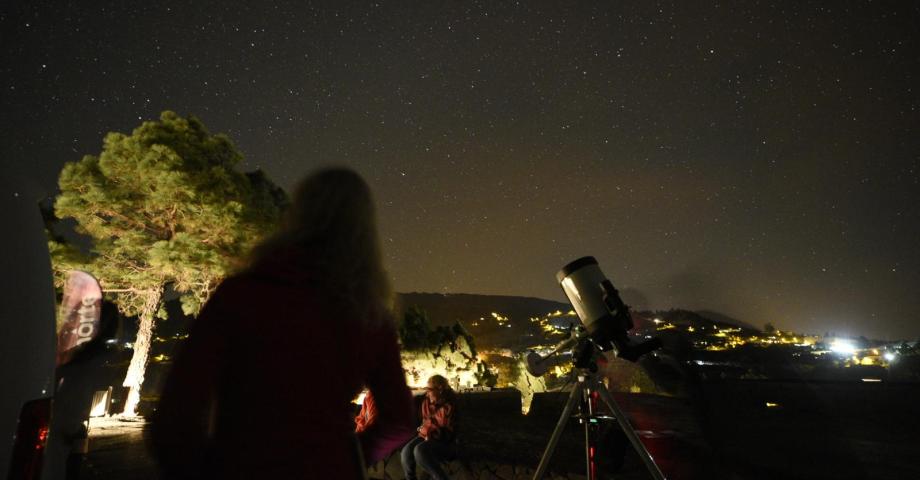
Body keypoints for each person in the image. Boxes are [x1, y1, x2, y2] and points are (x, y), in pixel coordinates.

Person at [148, 167, 416, 479]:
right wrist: (352, 454)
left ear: (297, 214)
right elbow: (398, 418)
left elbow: (176, 412)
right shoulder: (369, 314)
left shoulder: (240, 294)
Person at [401, 375, 458, 480]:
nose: (427, 393)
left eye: (430, 389)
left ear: (440, 389)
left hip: (444, 442)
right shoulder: (425, 402)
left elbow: (445, 431)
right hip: (425, 436)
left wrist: (427, 430)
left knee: (419, 450)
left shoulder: (449, 406)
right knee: (406, 452)